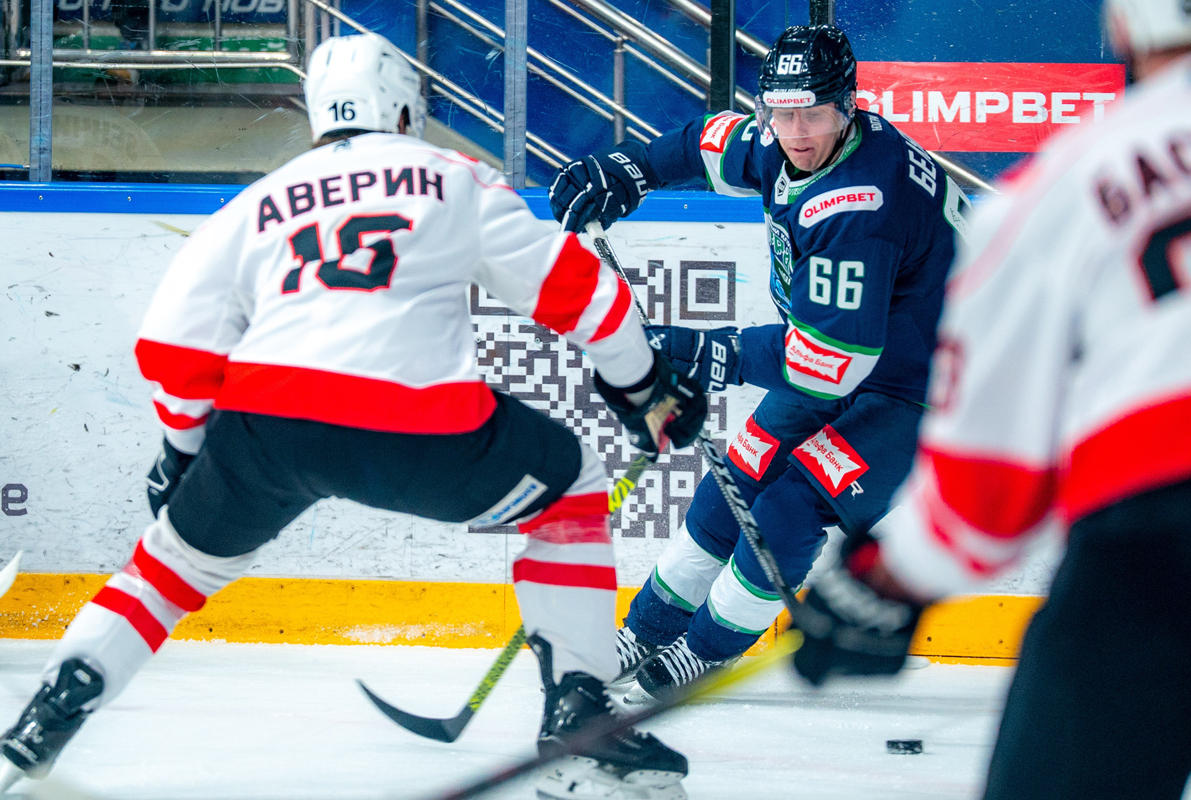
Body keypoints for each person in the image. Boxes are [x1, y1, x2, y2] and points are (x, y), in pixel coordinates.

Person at [0, 33, 707, 800]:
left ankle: (40, 722)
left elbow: (173, 342)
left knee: (169, 566)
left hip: (270, 427)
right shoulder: (452, 176)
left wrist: (183, 452)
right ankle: (579, 714)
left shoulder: (259, 202)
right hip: (424, 427)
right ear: (403, 109)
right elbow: (581, 294)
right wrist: (645, 391)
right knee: (570, 484)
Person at [787, 1, 1191, 798]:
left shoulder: (1060, 187)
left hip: (1156, 549)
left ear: (1121, 27)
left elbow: (987, 492)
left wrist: (886, 579)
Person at [548, 25, 963, 704]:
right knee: (732, 485)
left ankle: (705, 650)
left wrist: (710, 351)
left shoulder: (861, 205)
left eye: (814, 114)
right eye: (782, 113)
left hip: (924, 390)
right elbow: (708, 141)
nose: (796, 133)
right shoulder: (788, 138)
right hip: (846, 350)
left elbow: (827, 366)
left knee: (788, 510)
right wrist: (630, 168)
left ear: (848, 105)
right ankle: (645, 631)